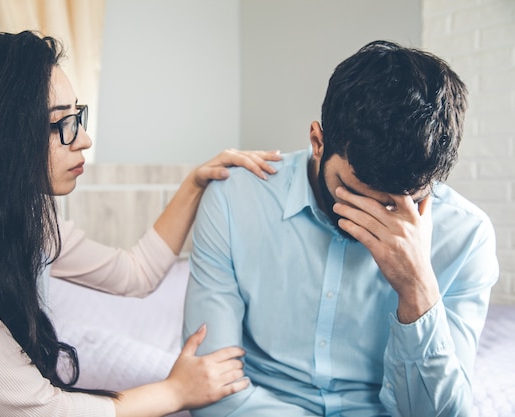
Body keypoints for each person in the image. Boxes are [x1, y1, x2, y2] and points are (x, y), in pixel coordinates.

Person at [0, 31, 283, 416]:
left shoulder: (19, 219)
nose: (84, 140)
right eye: (63, 123)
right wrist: (175, 392)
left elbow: (135, 273)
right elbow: (39, 409)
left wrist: (195, 183)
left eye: (77, 116)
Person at [183, 40, 499, 416]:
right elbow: (210, 390)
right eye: (355, 194)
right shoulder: (235, 199)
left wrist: (417, 290)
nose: (378, 218)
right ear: (318, 142)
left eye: (404, 203)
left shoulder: (467, 237)